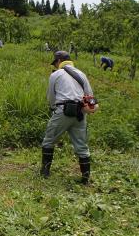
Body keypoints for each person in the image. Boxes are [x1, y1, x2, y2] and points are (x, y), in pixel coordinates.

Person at [41, 50, 99, 185]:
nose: (55, 66)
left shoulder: (56, 74)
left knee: (49, 141)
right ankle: (85, 179)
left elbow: (51, 98)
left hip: (62, 111)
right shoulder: (81, 74)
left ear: (59, 61)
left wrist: (54, 109)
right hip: (80, 113)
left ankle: (44, 172)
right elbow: (89, 95)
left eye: (55, 63)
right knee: (82, 146)